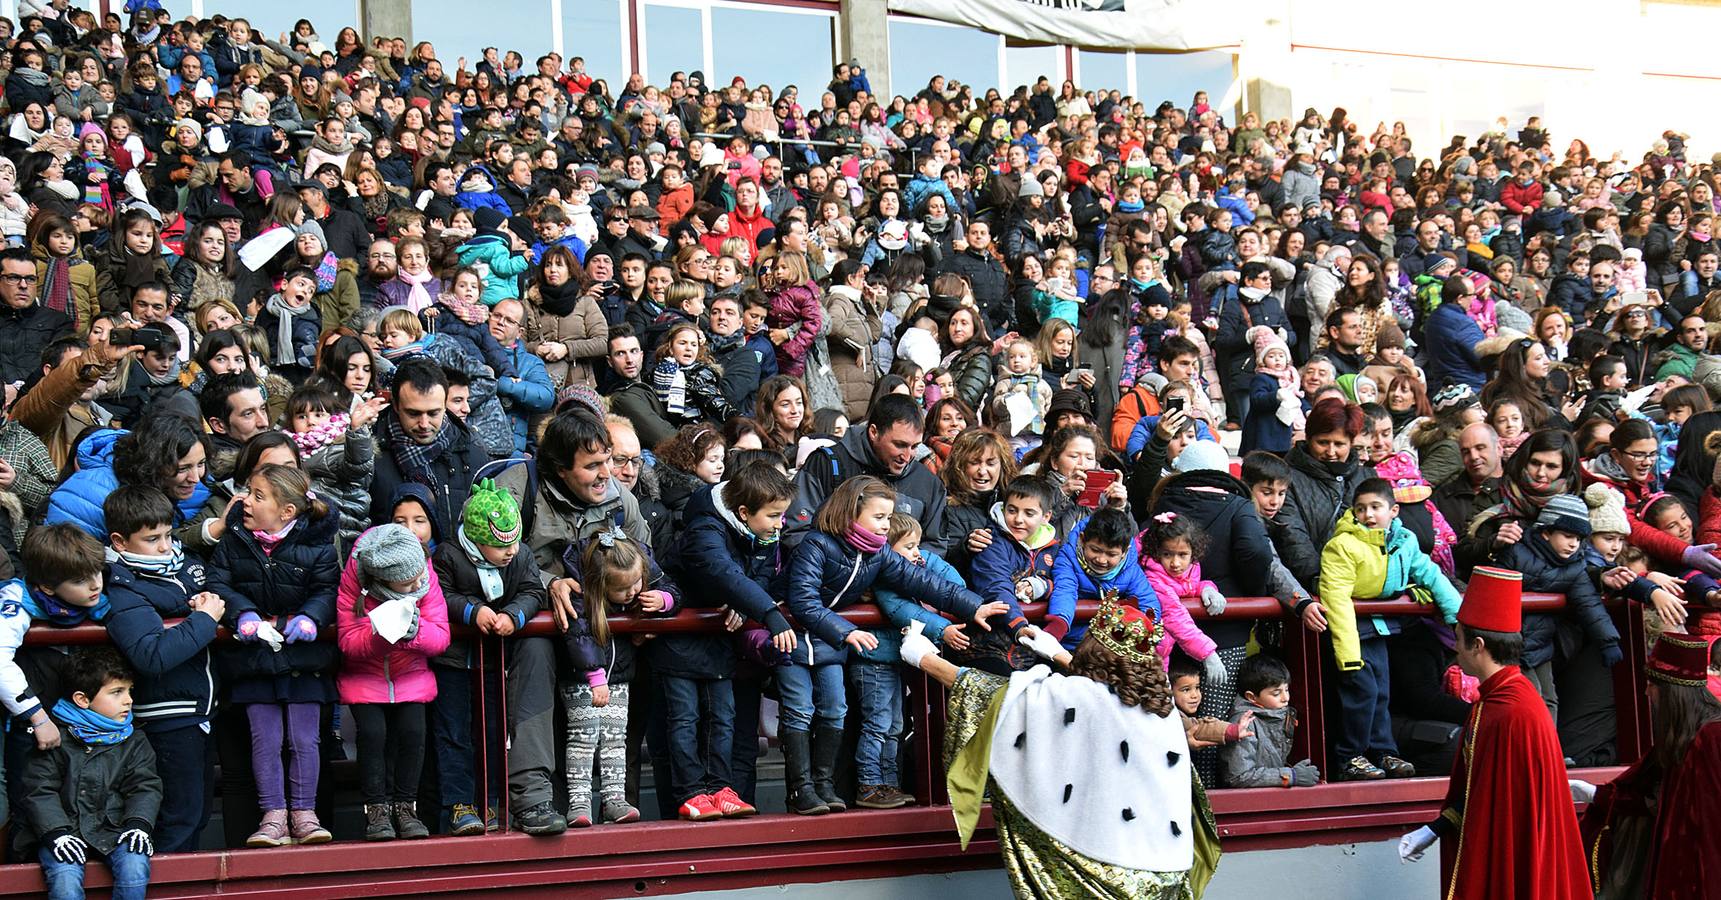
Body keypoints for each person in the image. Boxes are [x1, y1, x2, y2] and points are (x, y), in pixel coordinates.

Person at [897, 595, 1217, 899]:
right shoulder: (1165, 710)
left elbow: (995, 696)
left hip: (1103, 864)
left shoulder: (1076, 697)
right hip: (1167, 865)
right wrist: (1057, 653)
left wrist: (922, 657)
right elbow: (1103, 693)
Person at [782, 475, 996, 815]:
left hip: (827, 640)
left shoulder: (877, 552)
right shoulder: (817, 545)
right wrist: (846, 630)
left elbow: (923, 582)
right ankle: (802, 789)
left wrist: (973, 606)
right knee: (801, 711)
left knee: (835, 709)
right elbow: (802, 600)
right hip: (793, 638)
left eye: (888, 517)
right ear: (852, 512)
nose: (886, 526)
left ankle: (823, 785)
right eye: (879, 517)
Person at [1397, 566, 1589, 899]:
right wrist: (1435, 829)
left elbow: (1496, 808)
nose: (1456, 649)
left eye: (1458, 640)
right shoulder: (1508, 699)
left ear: (1478, 645)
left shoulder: (1508, 710)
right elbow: (1482, 793)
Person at [209, 464, 341, 848]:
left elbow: (329, 590)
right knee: (264, 740)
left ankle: (304, 814)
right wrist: (242, 614)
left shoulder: (317, 544)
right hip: (254, 660)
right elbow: (218, 581)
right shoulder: (234, 539)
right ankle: (272, 816)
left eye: (257, 496)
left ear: (287, 511)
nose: (245, 501)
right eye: (249, 492)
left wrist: (312, 618)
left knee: (303, 740)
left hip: (304, 661)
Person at [431, 480, 561, 835]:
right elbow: (441, 594)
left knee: (493, 732)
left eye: (513, 543)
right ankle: (459, 805)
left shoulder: (519, 556)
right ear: (476, 540)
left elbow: (534, 590)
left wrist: (514, 616)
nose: (509, 551)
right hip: (455, 664)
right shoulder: (448, 555)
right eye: (499, 545)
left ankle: (490, 801)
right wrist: (473, 611)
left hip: (494, 663)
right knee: (455, 733)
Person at [100, 486, 223, 855]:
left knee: (198, 813)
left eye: (168, 535)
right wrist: (203, 619)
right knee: (179, 817)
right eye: (152, 539)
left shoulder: (186, 568)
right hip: (167, 717)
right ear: (120, 542)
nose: (165, 547)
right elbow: (151, 654)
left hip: (200, 709)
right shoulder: (123, 588)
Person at [1317, 477, 1461, 780]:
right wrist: (1348, 653)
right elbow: (1337, 599)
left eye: (1375, 507)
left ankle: (1384, 752)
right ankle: (1350, 756)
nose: (1368, 515)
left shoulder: (1403, 540)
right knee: (1362, 691)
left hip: (1380, 627)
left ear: (1393, 510)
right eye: (1360, 508)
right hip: (1352, 631)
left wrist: (1456, 615)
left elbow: (1429, 573)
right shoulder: (1342, 545)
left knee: (1381, 691)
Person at [1578, 633, 1721, 898]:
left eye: (1652, 684)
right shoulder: (1680, 737)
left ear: (1672, 691)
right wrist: (1595, 794)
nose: (1646, 692)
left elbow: (1711, 831)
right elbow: (1645, 792)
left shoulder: (1712, 739)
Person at [336, 524, 451, 842]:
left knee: (413, 734)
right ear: (382, 580)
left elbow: (441, 635)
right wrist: (382, 637)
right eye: (407, 583)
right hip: (365, 677)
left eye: (419, 577)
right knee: (373, 735)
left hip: (412, 675)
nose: (419, 585)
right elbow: (347, 640)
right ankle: (376, 810)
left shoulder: (421, 568)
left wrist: (416, 634)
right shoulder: (356, 578)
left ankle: (406, 807)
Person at [19, 647, 160, 900]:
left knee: (135, 866)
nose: (128, 699)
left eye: (129, 691)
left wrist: (138, 824)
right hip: (63, 833)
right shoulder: (56, 736)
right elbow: (39, 789)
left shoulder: (134, 739)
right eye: (117, 692)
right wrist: (55, 833)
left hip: (114, 829)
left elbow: (145, 785)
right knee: (65, 879)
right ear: (82, 699)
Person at [787, 393, 948, 552]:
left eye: (914, 447)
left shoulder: (929, 484)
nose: (907, 456)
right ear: (874, 432)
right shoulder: (827, 464)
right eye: (899, 445)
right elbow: (796, 531)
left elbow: (935, 547)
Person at [1220, 653, 1319, 788]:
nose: (1286, 698)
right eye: (1276, 693)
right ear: (1252, 697)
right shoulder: (1245, 723)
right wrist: (1291, 776)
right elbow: (1238, 776)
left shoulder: (1278, 714)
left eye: (1286, 689)